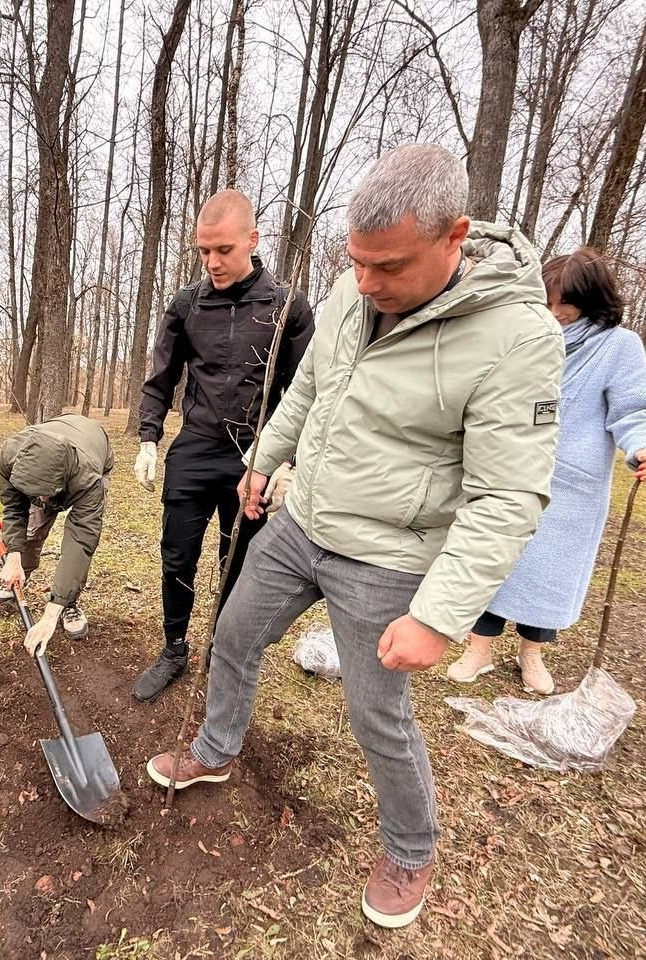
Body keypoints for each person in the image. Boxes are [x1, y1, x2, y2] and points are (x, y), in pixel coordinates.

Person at [144, 144, 565, 929]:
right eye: (357, 263)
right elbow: (311, 386)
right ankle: (216, 747)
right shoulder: (349, 288)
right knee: (233, 635)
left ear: (454, 238)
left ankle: (411, 849)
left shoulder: (518, 337)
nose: (367, 284)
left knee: (377, 711)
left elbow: (506, 495)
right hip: (304, 521)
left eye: (389, 267)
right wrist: (267, 460)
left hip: (389, 555)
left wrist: (440, 613)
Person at [447, 247, 646, 694]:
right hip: (510, 471)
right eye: (547, 302)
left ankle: (531, 653)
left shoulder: (618, 347)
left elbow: (635, 411)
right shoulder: (523, 336)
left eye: (566, 304)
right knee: (494, 559)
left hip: (572, 487)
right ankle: (478, 649)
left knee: (549, 575)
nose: (556, 314)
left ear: (592, 301)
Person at [131, 189, 315, 701]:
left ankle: (222, 648)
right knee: (177, 557)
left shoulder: (287, 308)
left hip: (256, 455)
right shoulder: (187, 305)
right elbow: (161, 376)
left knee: (237, 561)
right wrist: (149, 437)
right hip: (195, 447)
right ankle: (174, 648)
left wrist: (289, 460)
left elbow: (308, 389)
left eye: (224, 251)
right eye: (203, 252)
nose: (212, 262)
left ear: (253, 241)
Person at [0, 414, 115, 656]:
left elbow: (81, 541)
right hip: (57, 441)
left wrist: (51, 613)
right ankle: (18, 577)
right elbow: (14, 509)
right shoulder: (11, 457)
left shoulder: (88, 478)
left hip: (93, 451)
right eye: (36, 496)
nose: (43, 502)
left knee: (77, 554)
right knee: (32, 530)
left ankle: (68, 603)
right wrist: (14, 558)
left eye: (47, 494)